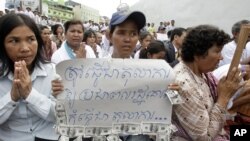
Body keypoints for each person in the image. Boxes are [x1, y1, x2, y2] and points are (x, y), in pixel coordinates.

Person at [172, 25, 245, 141]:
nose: (221, 57)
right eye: (217, 51)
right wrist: (223, 98)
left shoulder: (203, 73)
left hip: (220, 132)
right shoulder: (184, 84)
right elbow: (205, 137)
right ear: (197, 54)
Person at [0, 13, 58, 141]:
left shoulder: (53, 72)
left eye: (31, 39)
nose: (25, 48)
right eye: (14, 41)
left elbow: (60, 114)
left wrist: (30, 94)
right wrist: (12, 97)